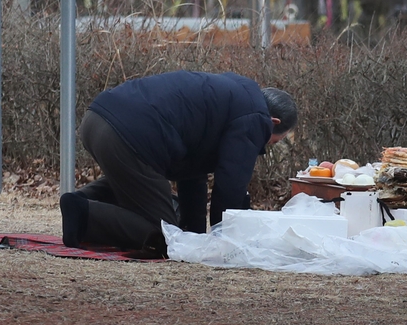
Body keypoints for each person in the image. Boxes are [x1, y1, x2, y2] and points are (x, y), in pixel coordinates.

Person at [59, 71, 297, 256]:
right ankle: (84, 215)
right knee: (167, 236)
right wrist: (225, 242)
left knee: (140, 180)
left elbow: (192, 172)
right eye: (276, 141)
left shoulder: (233, 96)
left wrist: (193, 234)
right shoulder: (256, 118)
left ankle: (81, 201)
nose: (266, 147)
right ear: (273, 122)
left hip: (97, 120)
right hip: (127, 135)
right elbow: (230, 186)